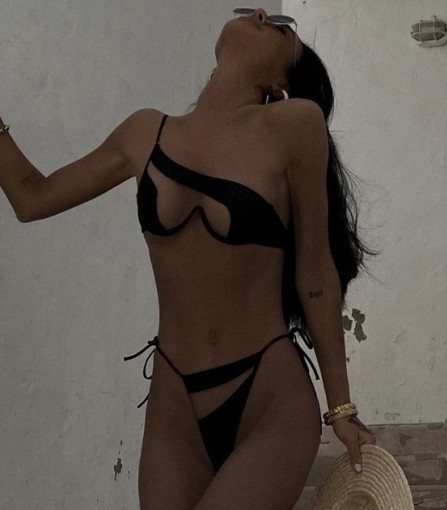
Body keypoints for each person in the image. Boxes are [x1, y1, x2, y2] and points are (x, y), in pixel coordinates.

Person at [0, 7, 377, 510]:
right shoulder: (144, 132)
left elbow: (316, 273)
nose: (261, 13)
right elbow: (31, 197)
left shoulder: (294, 124)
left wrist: (341, 408)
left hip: (268, 395)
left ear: (279, 84)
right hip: (173, 398)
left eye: (282, 27)